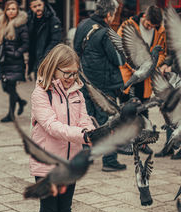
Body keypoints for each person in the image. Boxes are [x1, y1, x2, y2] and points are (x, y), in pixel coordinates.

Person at [29, 43, 94, 212]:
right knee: (49, 209)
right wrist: (82, 136)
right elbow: (52, 126)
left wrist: (90, 130)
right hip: (47, 164)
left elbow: (83, 119)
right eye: (67, 73)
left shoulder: (77, 92)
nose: (71, 78)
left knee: (65, 210)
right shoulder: (41, 93)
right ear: (54, 69)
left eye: (74, 73)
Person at [74, 0, 127, 172]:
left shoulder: (82, 25)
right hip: (104, 85)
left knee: (87, 119)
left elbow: (75, 49)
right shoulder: (106, 33)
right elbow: (120, 59)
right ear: (109, 14)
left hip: (85, 81)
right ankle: (109, 160)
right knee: (108, 123)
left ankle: (84, 156)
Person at [117, 5, 167, 154]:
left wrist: (151, 65)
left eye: (153, 26)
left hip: (145, 79)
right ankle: (125, 143)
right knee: (126, 111)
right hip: (128, 74)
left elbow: (162, 54)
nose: (150, 27)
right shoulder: (128, 25)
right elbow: (119, 48)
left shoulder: (160, 31)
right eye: (149, 23)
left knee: (144, 112)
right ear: (144, 15)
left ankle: (143, 143)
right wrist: (131, 66)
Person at [0, 0, 29, 122]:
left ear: (17, 10)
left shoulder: (21, 25)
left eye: (13, 9)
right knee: (5, 87)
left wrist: (16, 53)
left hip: (15, 61)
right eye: (9, 9)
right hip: (4, 61)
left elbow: (26, 44)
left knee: (11, 87)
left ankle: (11, 115)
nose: (11, 11)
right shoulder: (3, 23)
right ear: (5, 11)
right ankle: (21, 101)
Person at [28, 0, 62, 79]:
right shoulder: (30, 20)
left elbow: (56, 40)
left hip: (47, 59)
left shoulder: (53, 20)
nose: (37, 8)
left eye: (39, 5)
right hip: (36, 59)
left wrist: (45, 56)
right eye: (34, 7)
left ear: (44, 5)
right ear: (31, 8)